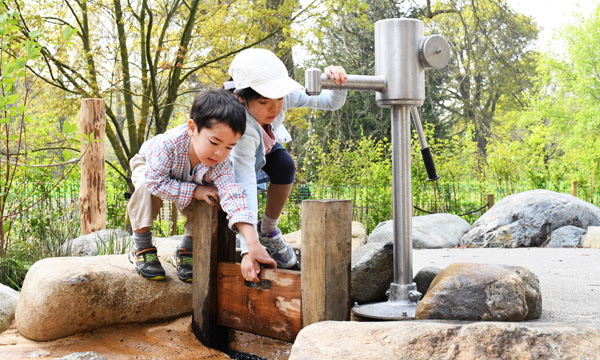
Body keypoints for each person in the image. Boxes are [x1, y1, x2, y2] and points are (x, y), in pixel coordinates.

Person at [127, 89, 276, 283]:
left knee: (212, 195)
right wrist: (195, 191)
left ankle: (187, 248)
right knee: (145, 187)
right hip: (150, 167)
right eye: (214, 142)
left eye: (229, 147)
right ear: (192, 129)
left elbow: (233, 196)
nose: (219, 153)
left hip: (189, 178)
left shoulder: (220, 162)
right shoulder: (168, 145)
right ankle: (141, 245)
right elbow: (156, 182)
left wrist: (253, 243)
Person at [226, 48, 347, 272]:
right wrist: (248, 249)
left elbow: (330, 102)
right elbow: (245, 185)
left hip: (263, 150)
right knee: (229, 198)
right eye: (263, 102)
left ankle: (269, 231)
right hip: (227, 165)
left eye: (280, 98)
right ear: (240, 98)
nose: (275, 108)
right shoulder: (238, 124)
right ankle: (195, 243)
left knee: (284, 165)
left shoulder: (279, 97)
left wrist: (336, 82)